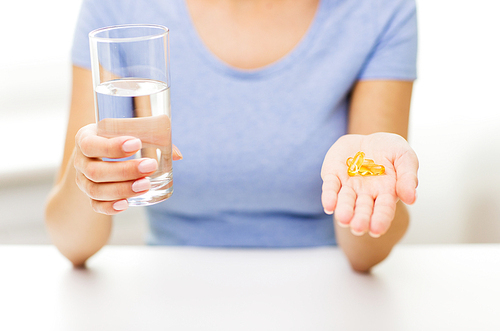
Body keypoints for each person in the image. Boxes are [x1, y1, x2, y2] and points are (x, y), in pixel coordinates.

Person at [45, 0, 419, 272]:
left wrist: (365, 184)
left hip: (323, 285)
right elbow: (72, 243)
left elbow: (367, 255)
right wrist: (90, 176)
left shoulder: (380, 10)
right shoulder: (117, 9)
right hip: (172, 288)